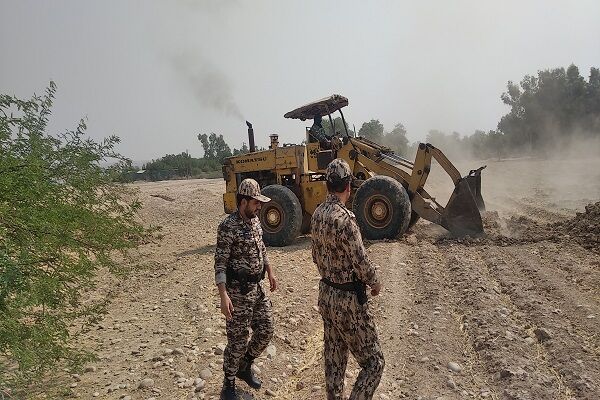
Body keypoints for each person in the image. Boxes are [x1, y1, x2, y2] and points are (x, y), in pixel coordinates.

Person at [311, 159, 385, 400]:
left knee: (334, 363)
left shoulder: (317, 215)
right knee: (374, 363)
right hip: (349, 303)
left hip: (326, 297)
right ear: (349, 186)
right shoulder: (346, 220)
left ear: (327, 185)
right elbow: (360, 262)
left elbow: (315, 256)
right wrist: (375, 282)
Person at [214, 178, 277, 400]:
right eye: (255, 203)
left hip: (256, 289)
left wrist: (269, 271)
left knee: (267, 329)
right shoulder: (227, 226)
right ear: (243, 202)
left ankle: (244, 365)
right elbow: (220, 263)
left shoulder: (256, 222)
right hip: (237, 292)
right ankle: (228, 383)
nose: (259, 206)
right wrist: (223, 296)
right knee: (237, 340)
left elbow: (262, 248)